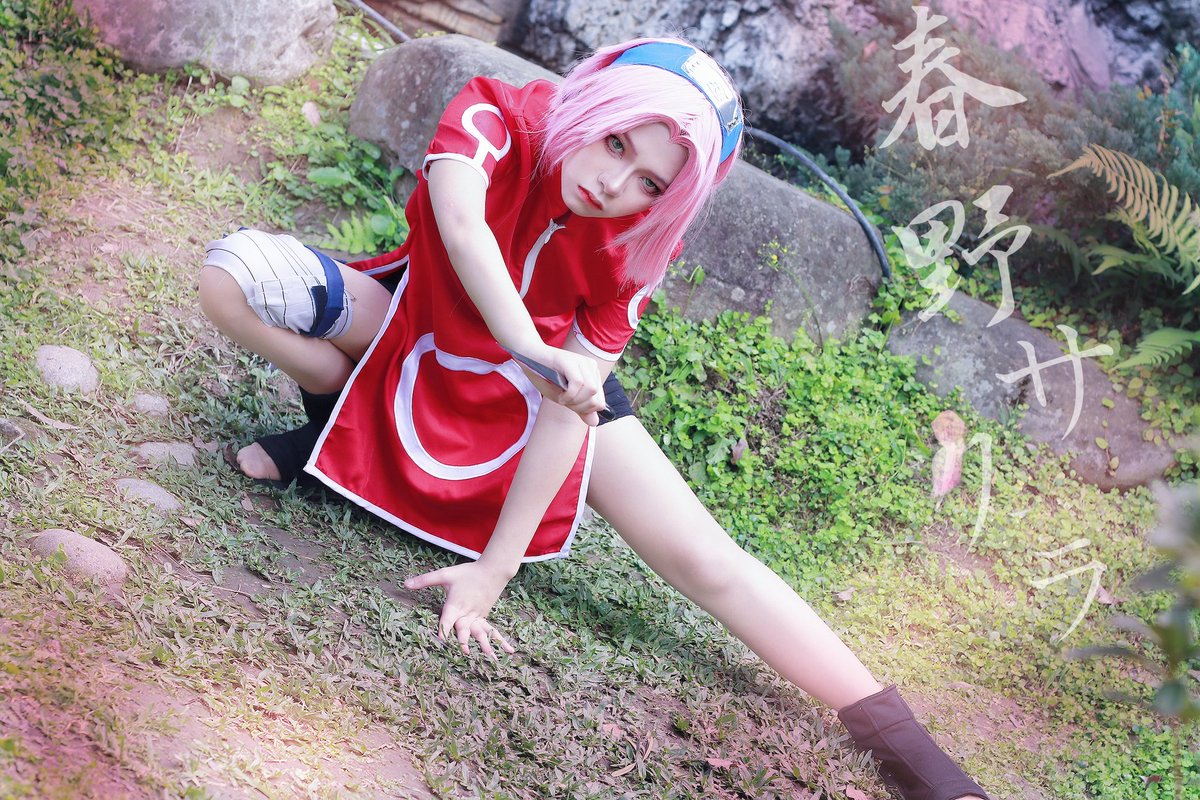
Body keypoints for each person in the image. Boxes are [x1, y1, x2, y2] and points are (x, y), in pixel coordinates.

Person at [198, 38, 988, 800]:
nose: (615, 185)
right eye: (615, 142)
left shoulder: (637, 250)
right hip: (414, 330)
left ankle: (926, 767)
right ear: (596, 103)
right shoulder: (497, 114)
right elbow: (463, 226)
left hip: (542, 391)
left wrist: (495, 568)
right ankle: (333, 435)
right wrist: (526, 345)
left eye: (650, 182)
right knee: (239, 273)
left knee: (708, 560)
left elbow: (568, 406)